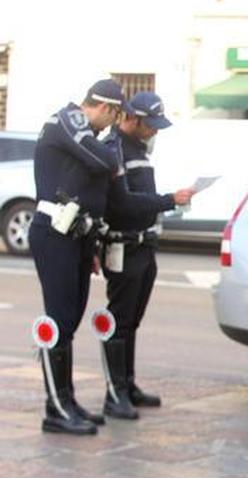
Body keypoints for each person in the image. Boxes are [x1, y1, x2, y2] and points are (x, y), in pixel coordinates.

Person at [30, 79, 129, 435]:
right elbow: (105, 162)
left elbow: (103, 170)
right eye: (114, 115)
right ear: (105, 107)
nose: (113, 124)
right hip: (54, 232)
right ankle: (55, 408)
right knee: (58, 320)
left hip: (77, 235)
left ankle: (66, 400)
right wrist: (106, 161)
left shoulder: (84, 130)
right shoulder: (68, 120)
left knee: (70, 320)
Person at [99, 92, 195, 419]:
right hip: (123, 246)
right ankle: (115, 394)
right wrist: (169, 199)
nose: (154, 131)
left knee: (132, 321)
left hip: (143, 244)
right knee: (121, 321)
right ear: (132, 118)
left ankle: (127, 385)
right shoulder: (115, 148)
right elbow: (123, 204)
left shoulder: (137, 148)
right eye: (150, 125)